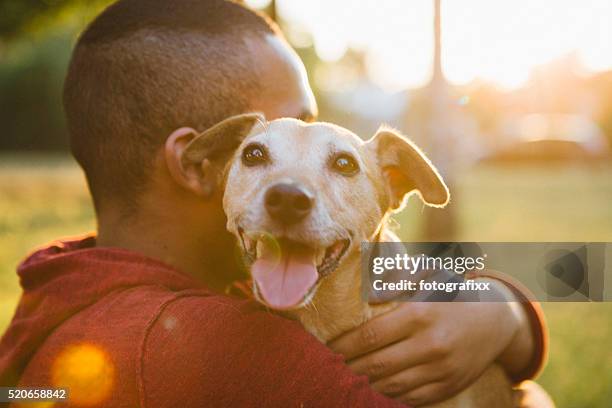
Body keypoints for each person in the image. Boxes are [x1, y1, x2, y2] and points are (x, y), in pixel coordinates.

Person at [0, 0, 548, 406]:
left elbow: (579, 267)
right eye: (267, 148)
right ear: (201, 163)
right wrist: (512, 329)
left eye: (334, 159)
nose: (294, 186)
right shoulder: (241, 349)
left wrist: (505, 305)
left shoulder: (62, 285)